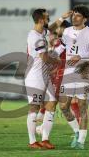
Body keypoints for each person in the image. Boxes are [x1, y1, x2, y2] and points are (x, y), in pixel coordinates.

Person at [25, 8, 72, 149]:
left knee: (51, 103)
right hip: (34, 76)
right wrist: (57, 61)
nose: (48, 20)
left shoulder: (42, 32)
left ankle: (45, 139)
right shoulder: (35, 37)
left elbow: (51, 28)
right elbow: (44, 57)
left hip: (44, 75)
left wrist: (62, 18)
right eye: (47, 18)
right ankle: (33, 141)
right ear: (40, 20)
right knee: (34, 107)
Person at [57, 5, 89, 149]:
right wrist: (51, 54)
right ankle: (76, 131)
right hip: (69, 71)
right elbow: (61, 47)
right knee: (63, 106)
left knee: (82, 106)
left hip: (83, 69)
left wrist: (80, 56)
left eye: (78, 15)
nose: (74, 17)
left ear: (85, 19)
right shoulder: (67, 31)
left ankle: (81, 141)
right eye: (73, 15)